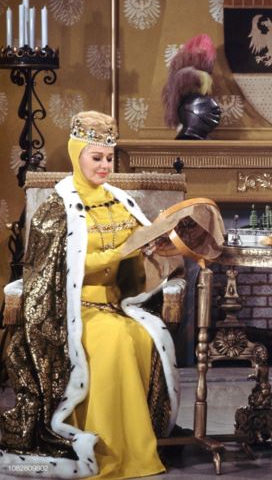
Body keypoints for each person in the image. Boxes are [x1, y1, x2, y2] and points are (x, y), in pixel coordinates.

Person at [0, 111, 180, 478]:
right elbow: (57, 269)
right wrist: (122, 251)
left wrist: (154, 248)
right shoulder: (56, 208)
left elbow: (137, 258)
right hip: (70, 309)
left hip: (117, 305)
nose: (104, 166)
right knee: (115, 341)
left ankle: (136, 445)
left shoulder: (120, 201)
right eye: (96, 157)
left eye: (109, 158)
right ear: (76, 154)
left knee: (143, 337)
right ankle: (111, 454)